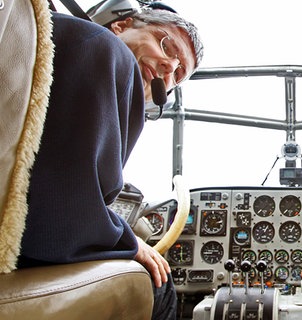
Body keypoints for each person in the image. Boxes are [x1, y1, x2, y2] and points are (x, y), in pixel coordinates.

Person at [17, 6, 203, 320]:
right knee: (159, 284)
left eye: (178, 73)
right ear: (121, 26)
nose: (169, 66)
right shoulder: (99, 46)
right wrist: (129, 241)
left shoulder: (51, 39)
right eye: (165, 45)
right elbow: (64, 217)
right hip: (30, 248)